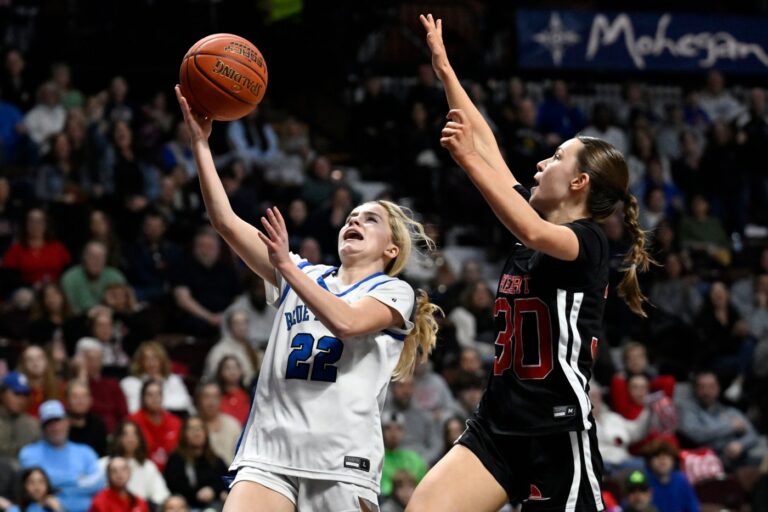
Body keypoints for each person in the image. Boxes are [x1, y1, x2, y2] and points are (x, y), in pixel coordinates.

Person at [409, 15, 653, 512]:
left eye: (557, 157)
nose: (541, 163)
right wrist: (446, 71)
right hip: (496, 424)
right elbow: (485, 144)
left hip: (555, 432)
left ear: (580, 182)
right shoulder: (535, 218)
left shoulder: (588, 242)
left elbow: (529, 228)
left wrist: (468, 164)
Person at [175, 84, 441, 512]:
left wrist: (286, 268)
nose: (354, 220)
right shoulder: (302, 272)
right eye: (351, 217)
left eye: (369, 219)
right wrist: (201, 145)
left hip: (341, 459)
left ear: (391, 249)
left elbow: (348, 323)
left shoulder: (394, 291)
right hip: (270, 452)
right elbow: (224, 222)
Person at [19, 400, 105, 512]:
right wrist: (78, 480)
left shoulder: (85, 451)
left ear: (67, 422)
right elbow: (37, 485)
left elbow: (98, 483)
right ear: (42, 427)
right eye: (49, 423)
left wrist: (57, 486)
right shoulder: (29, 453)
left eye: (58, 420)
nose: (55, 427)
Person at [98, 420, 171, 506]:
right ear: (117, 438)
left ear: (140, 439)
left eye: (134, 435)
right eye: (125, 435)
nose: (130, 439)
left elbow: (161, 495)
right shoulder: (103, 464)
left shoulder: (148, 466)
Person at [163, 416, 228, 510]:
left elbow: (227, 480)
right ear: (184, 434)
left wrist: (214, 491)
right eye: (192, 429)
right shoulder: (176, 460)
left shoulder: (215, 459)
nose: (197, 432)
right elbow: (174, 488)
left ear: (206, 433)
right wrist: (198, 494)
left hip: (215, 505)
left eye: (200, 428)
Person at [120, 341, 194, 415]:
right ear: (140, 362)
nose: (151, 363)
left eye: (155, 358)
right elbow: (133, 409)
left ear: (162, 360)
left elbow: (186, 404)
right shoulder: (130, 383)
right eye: (146, 359)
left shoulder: (174, 379)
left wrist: (154, 404)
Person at [128, 380, 182, 472]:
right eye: (150, 395)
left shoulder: (176, 422)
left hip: (172, 473)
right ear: (142, 398)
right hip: (141, 470)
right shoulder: (132, 422)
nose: (154, 398)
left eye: (158, 394)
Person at [643, 440, 699, 512]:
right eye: (657, 456)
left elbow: (693, 507)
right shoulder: (643, 481)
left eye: (667, 456)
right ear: (649, 462)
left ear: (673, 461)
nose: (662, 460)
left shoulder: (681, 480)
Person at [195, 381, 241, 464]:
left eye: (215, 397)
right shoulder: (191, 426)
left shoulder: (233, 425)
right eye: (206, 397)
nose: (211, 402)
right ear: (198, 400)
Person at [0, 372, 41, 464]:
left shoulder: (34, 425)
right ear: (2, 394)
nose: (21, 399)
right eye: (17, 393)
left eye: (25, 394)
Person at [65, 379, 108, 457]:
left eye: (84, 397)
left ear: (91, 400)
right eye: (75, 397)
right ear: (67, 400)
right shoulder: (59, 425)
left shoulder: (98, 425)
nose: (80, 401)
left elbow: (102, 456)